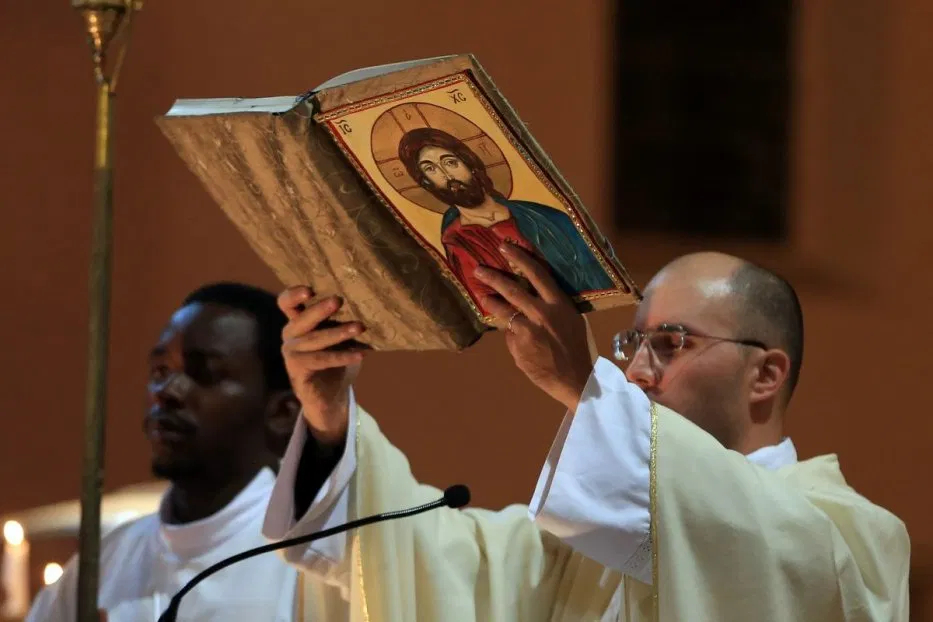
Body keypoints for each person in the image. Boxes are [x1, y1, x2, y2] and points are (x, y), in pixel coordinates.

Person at [264, 249, 910, 621]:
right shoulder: (588, 548)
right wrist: (328, 417)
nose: (634, 370)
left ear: (765, 373)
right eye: (632, 344)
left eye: (671, 343)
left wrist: (582, 384)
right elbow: (428, 561)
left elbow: (742, 540)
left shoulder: (844, 541)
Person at [27, 282, 329, 622]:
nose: (167, 391)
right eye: (161, 371)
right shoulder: (103, 565)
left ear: (282, 413)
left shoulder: (316, 564)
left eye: (205, 374)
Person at [397, 127, 614, 310]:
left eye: (451, 163)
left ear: (471, 166)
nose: (446, 175)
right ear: (426, 183)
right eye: (431, 169)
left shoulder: (544, 217)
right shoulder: (456, 241)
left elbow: (594, 274)